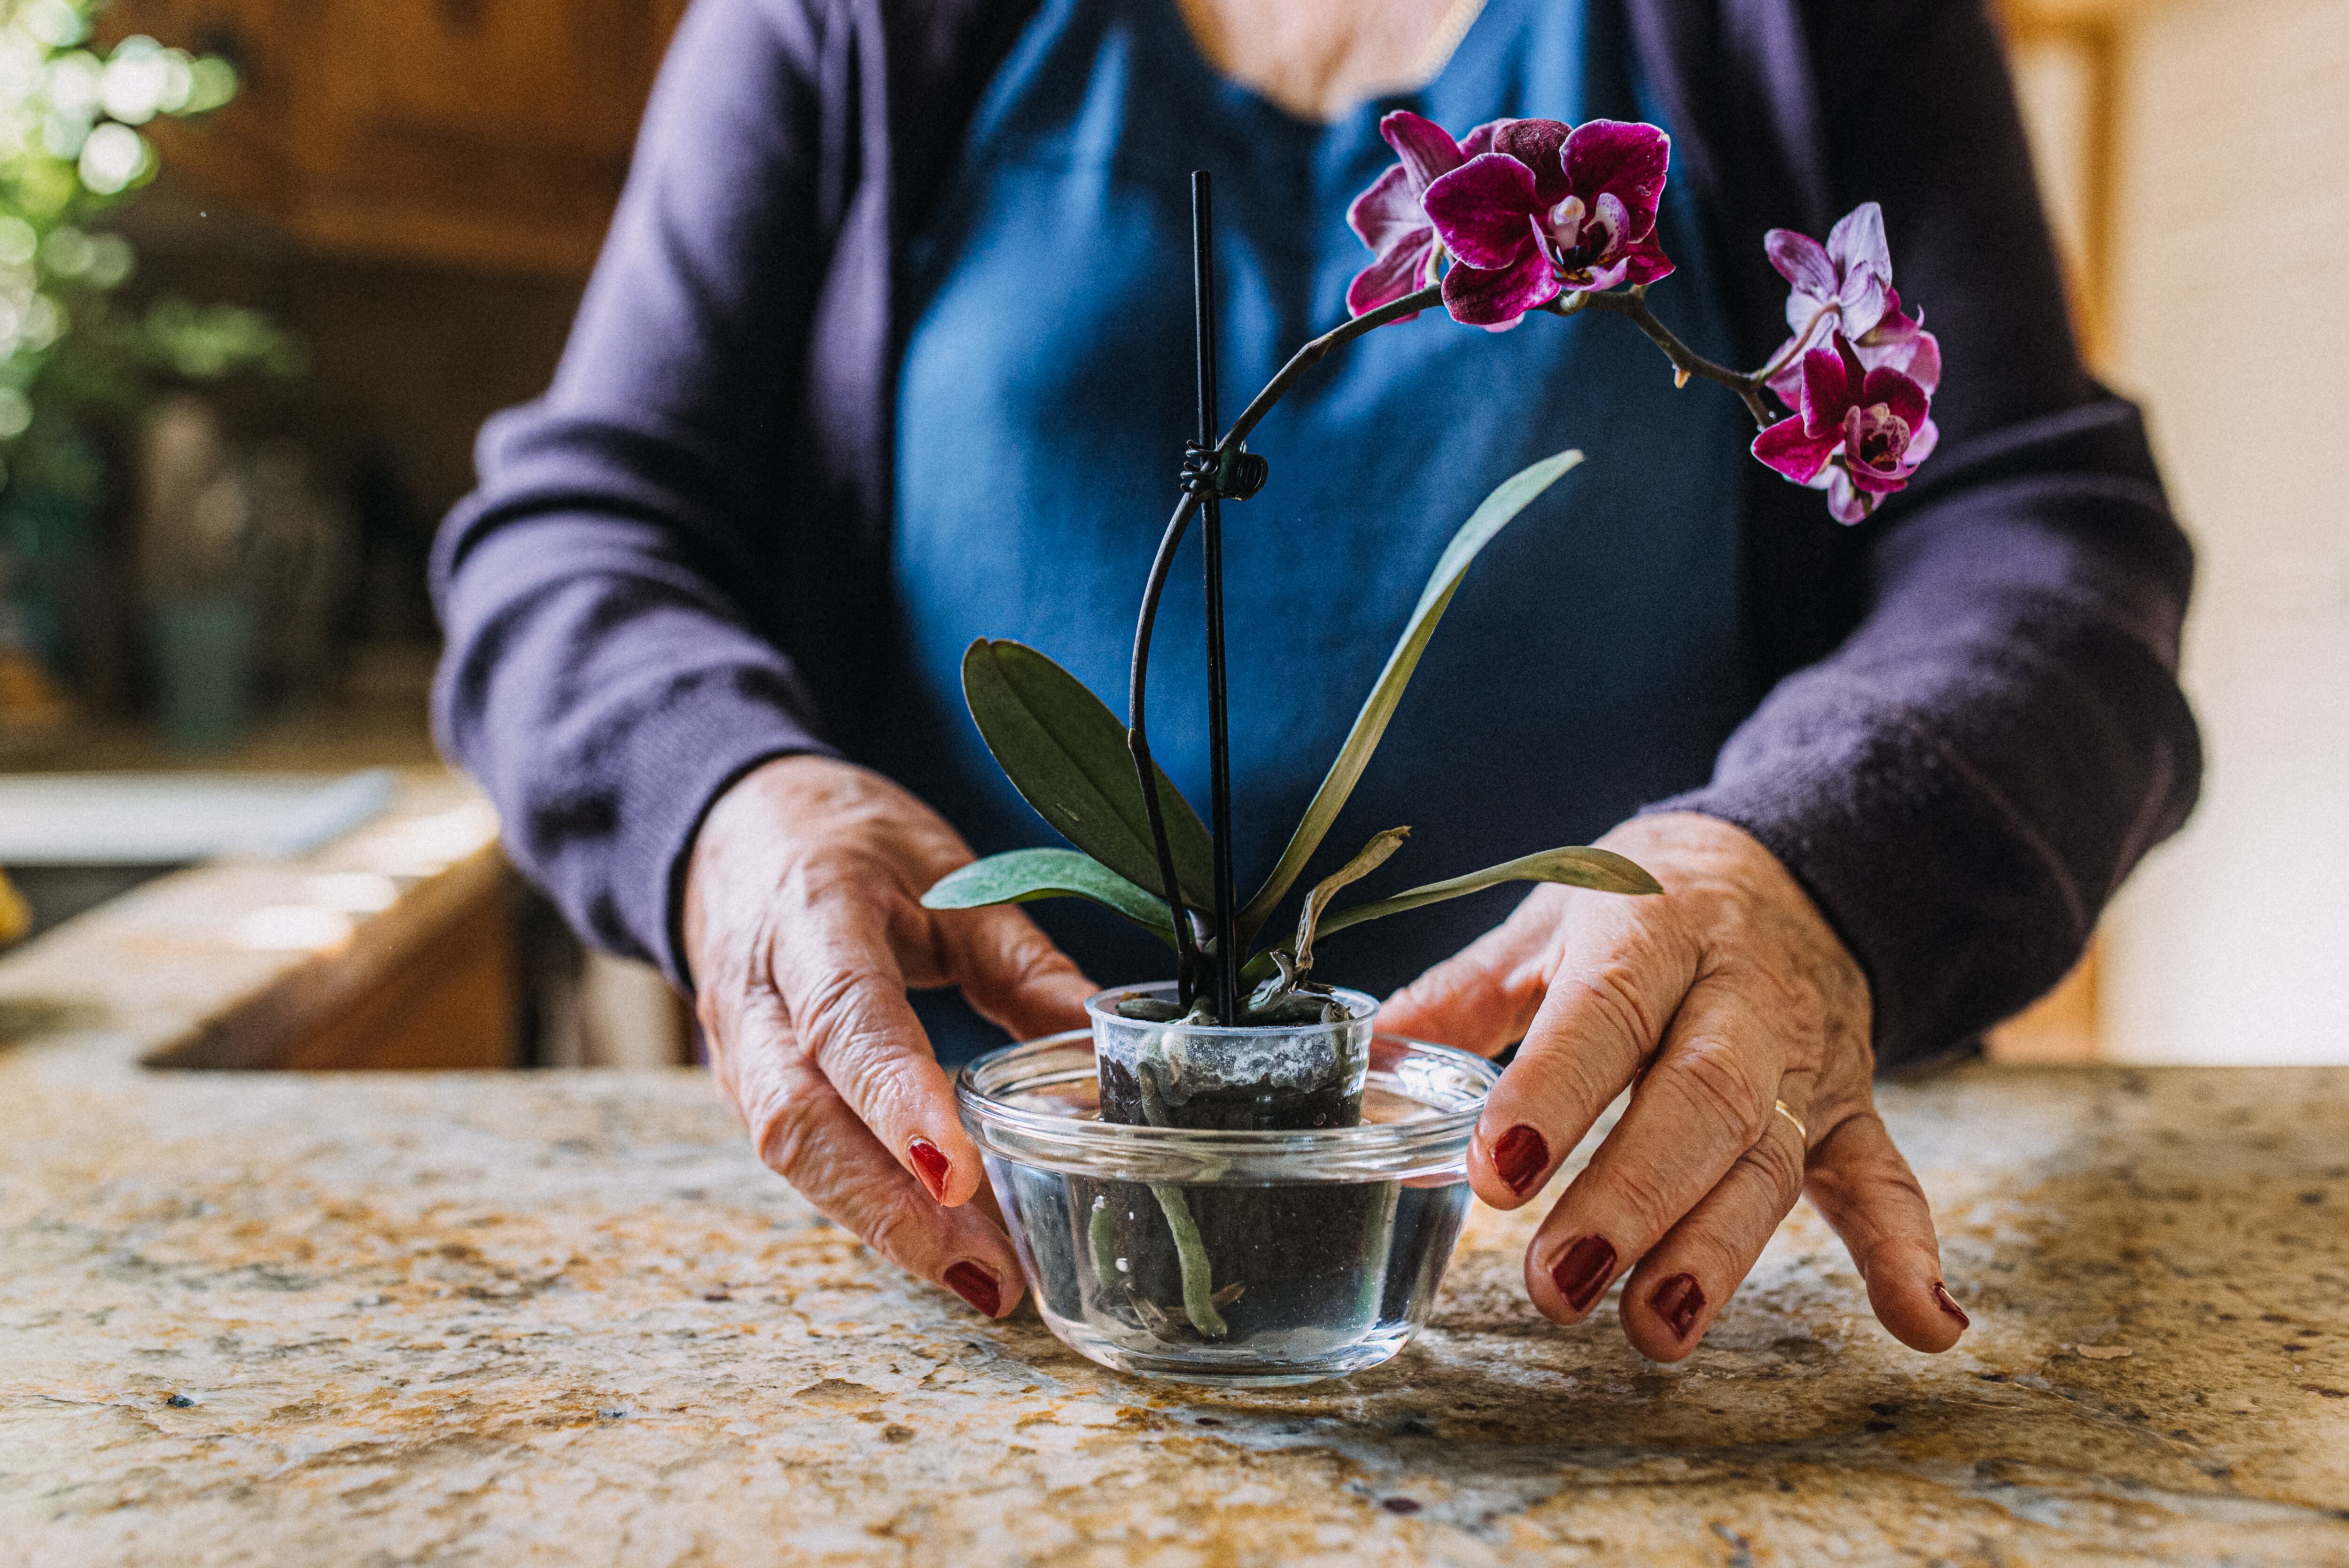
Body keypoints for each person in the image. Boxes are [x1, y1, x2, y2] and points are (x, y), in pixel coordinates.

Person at [432, 0, 2198, 1360]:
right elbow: (575, 539)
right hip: (989, 1260)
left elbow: (2045, 537)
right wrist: (742, 807)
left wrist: (1811, 864)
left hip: (1630, 1257)